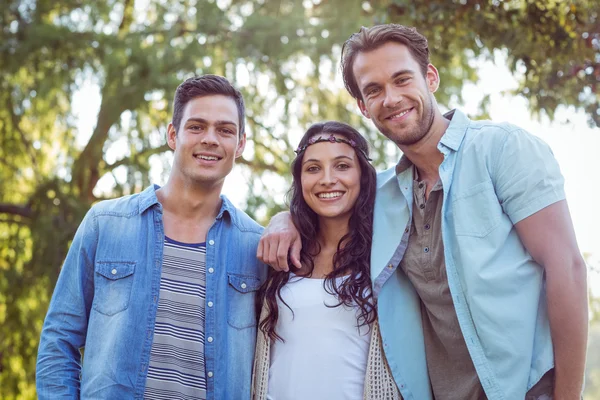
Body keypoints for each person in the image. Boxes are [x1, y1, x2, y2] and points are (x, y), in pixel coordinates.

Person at [258, 24, 588, 400]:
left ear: (430, 77)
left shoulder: (500, 149)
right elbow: (326, 205)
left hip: (527, 389)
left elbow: (567, 268)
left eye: (402, 79)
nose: (392, 98)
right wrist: (282, 219)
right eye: (374, 90)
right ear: (363, 107)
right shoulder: (381, 194)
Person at [36, 75, 266, 399]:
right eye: (196, 126)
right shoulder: (105, 224)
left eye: (225, 130)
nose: (211, 139)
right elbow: (59, 341)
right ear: (173, 134)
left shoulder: (256, 245)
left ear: (240, 144)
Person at [252, 121, 400, 400]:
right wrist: (282, 217)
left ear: (363, 176)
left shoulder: (388, 253)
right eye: (313, 168)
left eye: (342, 166)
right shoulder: (281, 255)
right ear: (300, 180)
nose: (327, 179)